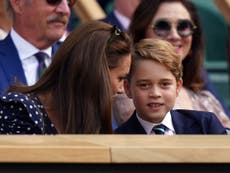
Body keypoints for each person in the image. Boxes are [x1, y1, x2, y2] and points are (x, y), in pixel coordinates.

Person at [0, 20, 132, 134]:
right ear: (95, 72)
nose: (121, 90)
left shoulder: (88, 117)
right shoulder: (19, 111)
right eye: (120, 78)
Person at [114, 0, 230, 128]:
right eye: (162, 26)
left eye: (183, 26)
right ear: (142, 33)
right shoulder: (129, 95)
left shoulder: (205, 96)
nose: (175, 35)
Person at [115, 38, 227, 134]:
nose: (155, 93)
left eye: (164, 84)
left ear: (178, 87)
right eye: (144, 85)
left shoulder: (205, 125)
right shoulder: (119, 139)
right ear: (128, 88)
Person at [0, 0, 75, 94]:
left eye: (69, 2)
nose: (65, 10)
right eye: (54, 0)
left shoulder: (77, 60)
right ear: (17, 3)